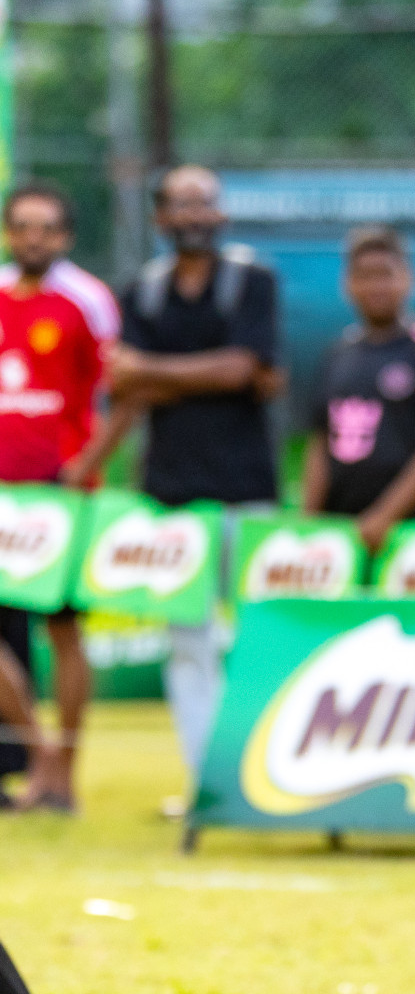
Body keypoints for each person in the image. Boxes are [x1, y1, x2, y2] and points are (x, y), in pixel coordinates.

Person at [67, 164, 282, 788]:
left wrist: (155, 371)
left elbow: (244, 370)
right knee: (185, 646)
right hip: (169, 498)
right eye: (180, 205)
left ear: (220, 213)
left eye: (204, 203)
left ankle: (261, 778)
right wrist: (93, 459)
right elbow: (125, 387)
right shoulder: (142, 292)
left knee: (252, 639)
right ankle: (205, 786)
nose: (193, 216)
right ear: (160, 217)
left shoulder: (252, 282)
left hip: (248, 490)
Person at [0, 180, 118, 810]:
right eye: (21, 225)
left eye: (44, 226)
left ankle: (63, 775)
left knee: (63, 631)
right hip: (2, 494)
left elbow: (117, 391)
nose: (32, 236)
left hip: (61, 493)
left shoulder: (87, 301)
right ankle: (38, 755)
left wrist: (87, 467)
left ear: (65, 237)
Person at [303, 227, 415, 551]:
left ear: (408, 278)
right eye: (364, 275)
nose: (375, 285)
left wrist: (385, 516)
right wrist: (310, 522)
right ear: (348, 284)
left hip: (408, 532)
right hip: (339, 532)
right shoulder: (337, 354)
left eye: (385, 274)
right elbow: (321, 439)